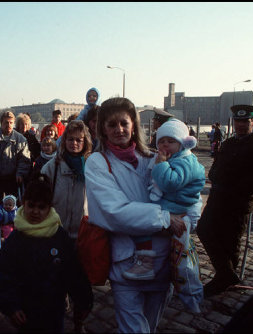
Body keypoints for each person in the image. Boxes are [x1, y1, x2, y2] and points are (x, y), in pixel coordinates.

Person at [85, 97, 196, 333]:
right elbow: (115, 212)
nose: (119, 130)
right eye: (112, 125)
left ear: (134, 125)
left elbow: (188, 194)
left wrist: (188, 219)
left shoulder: (154, 159)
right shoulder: (97, 163)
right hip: (126, 265)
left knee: (150, 325)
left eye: (124, 123)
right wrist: (166, 219)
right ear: (102, 129)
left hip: (163, 263)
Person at [0, 174, 93, 333]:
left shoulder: (59, 236)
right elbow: (3, 275)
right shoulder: (16, 239)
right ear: (23, 205)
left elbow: (73, 271)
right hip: (24, 311)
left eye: (41, 207)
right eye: (31, 205)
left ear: (49, 208)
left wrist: (83, 300)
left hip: (53, 309)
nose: (35, 211)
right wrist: (10, 307)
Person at [197, 104, 253, 298]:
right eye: (237, 121)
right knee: (204, 230)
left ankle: (223, 279)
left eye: (245, 122)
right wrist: (215, 177)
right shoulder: (229, 144)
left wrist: (238, 183)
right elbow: (216, 166)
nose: (240, 125)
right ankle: (227, 276)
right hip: (217, 199)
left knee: (231, 242)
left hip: (238, 202)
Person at [123, 118, 205, 281]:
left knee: (143, 224)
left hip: (176, 205)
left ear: (182, 143)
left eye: (171, 141)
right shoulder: (176, 158)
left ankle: (146, 263)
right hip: (174, 202)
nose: (165, 145)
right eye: (162, 141)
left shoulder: (186, 161)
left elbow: (170, 183)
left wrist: (161, 164)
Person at [41, 120, 92, 241]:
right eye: (70, 139)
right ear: (64, 141)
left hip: (83, 235)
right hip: (54, 233)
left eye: (79, 140)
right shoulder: (52, 167)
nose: (74, 143)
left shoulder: (92, 168)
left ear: (85, 142)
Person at [0, 111, 31, 214]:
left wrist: (20, 173)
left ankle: (13, 226)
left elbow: (24, 159)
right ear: (1, 123)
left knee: (14, 205)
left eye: (11, 122)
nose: (8, 125)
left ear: (14, 123)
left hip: (13, 178)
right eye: (6, 122)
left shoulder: (21, 139)